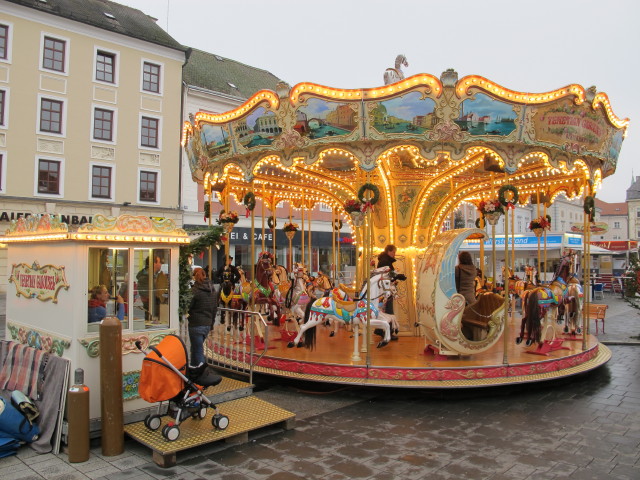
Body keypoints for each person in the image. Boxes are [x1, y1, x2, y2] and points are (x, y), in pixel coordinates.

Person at [188, 267, 218, 368]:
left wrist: (188, 314)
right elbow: (214, 308)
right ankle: (193, 370)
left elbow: (189, 306)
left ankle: (202, 372)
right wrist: (211, 323)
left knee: (198, 350)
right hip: (207, 324)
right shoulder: (212, 290)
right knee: (196, 348)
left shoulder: (195, 290)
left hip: (196, 323)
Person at [375, 244, 406, 339]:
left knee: (385, 310)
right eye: (393, 252)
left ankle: (380, 330)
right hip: (386, 289)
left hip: (385, 287)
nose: (394, 254)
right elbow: (388, 275)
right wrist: (398, 276)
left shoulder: (384, 260)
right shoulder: (385, 261)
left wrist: (396, 277)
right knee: (389, 310)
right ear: (388, 251)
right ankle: (388, 332)